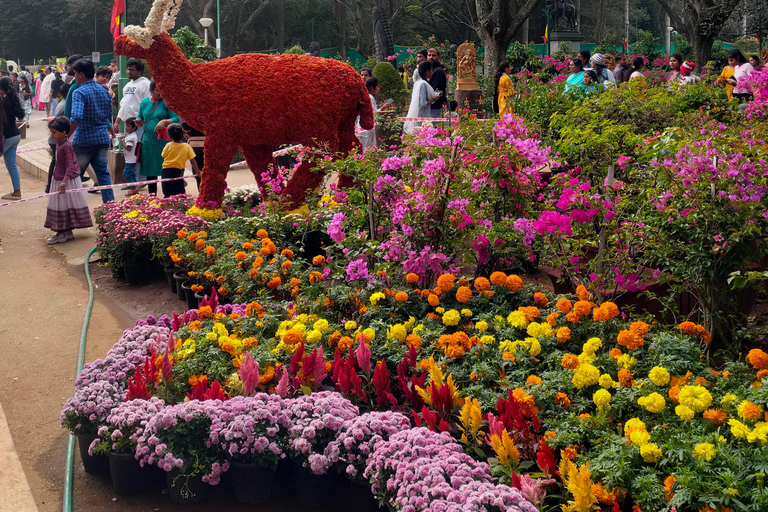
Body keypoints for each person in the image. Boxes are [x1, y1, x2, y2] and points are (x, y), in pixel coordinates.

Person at [68, 59, 115, 203]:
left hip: (83, 140)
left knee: (74, 176)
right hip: (101, 138)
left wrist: (67, 136)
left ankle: (74, 208)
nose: (75, 76)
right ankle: (110, 206)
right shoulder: (105, 91)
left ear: (81, 74)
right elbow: (109, 114)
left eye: (76, 73)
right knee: (103, 174)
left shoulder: (79, 92)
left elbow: (76, 117)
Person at [44, 116, 93, 244]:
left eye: (54, 132)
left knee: (62, 205)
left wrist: (64, 183)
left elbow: (70, 166)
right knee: (63, 205)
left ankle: (62, 232)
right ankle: (66, 232)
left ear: (63, 133)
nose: (51, 135)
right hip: (60, 178)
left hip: (66, 180)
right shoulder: (60, 144)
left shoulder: (66, 146)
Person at [136, 81, 179, 195]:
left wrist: (165, 121)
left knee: (167, 169)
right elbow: (140, 116)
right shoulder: (144, 102)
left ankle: (169, 195)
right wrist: (138, 122)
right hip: (148, 142)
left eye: (162, 90)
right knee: (150, 170)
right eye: (157, 90)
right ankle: (152, 196)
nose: (160, 93)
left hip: (164, 142)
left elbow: (176, 118)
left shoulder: (167, 102)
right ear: (151, 91)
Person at [0, 77, 25, 200]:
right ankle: (17, 191)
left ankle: (17, 191)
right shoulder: (14, 98)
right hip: (15, 134)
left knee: (11, 165)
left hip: (6, 136)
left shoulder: (3, 101)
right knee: (11, 165)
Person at [160, 123, 199, 197]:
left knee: (167, 191)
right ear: (183, 134)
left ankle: (168, 203)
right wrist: (197, 171)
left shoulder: (168, 145)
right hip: (178, 171)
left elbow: (163, 156)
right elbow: (192, 160)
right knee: (180, 192)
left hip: (166, 171)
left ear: (169, 135)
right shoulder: (187, 146)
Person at [113, 59, 151, 133]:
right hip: (128, 125)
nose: (129, 72)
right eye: (128, 69)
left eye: (132, 70)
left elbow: (148, 104)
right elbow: (123, 105)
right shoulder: (127, 85)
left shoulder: (146, 84)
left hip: (139, 124)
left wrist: (142, 120)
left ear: (140, 71)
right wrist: (117, 122)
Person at [45, 83, 71, 193]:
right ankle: (50, 185)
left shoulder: (62, 103)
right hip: (57, 138)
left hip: (57, 137)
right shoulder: (66, 105)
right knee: (56, 162)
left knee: (56, 162)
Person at [403, 61, 438, 135]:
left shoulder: (418, 83)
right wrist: (434, 99)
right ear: (427, 72)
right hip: (422, 117)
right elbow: (423, 103)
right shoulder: (423, 84)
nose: (432, 72)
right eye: (431, 70)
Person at [427, 47, 447, 117]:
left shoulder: (438, 71)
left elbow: (436, 87)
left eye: (434, 55)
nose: (431, 57)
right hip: (428, 105)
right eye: (429, 55)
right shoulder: (430, 69)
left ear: (438, 57)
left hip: (434, 106)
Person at [122, 118, 140, 194]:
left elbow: (128, 148)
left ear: (133, 128)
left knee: (126, 173)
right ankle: (134, 186)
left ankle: (133, 187)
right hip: (131, 158)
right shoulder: (133, 135)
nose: (126, 127)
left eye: (128, 126)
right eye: (126, 125)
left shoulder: (130, 137)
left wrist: (123, 143)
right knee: (132, 173)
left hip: (131, 159)